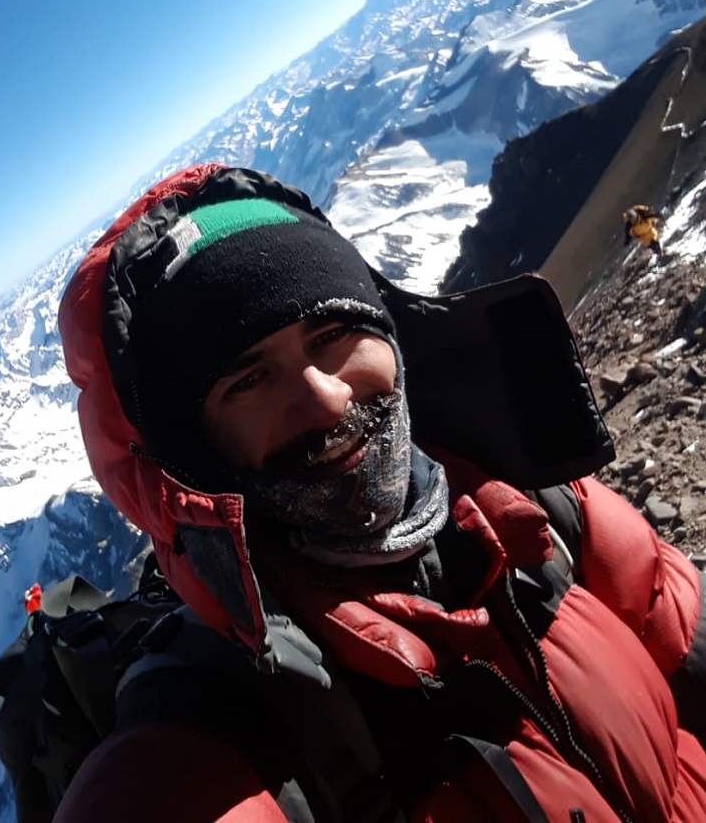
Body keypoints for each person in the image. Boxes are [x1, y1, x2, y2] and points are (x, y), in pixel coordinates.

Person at [54, 163, 706, 822]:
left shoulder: (544, 512)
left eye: (332, 334)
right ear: (199, 458)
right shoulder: (211, 741)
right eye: (247, 381)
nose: (325, 398)